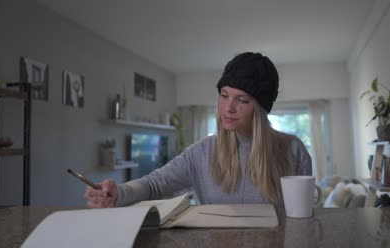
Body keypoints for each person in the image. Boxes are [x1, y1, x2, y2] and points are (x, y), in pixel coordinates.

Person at [85, 52, 312, 208]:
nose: (228, 108)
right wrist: (119, 193)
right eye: (224, 95)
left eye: (242, 99)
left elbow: (303, 216)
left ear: (261, 109)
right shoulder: (202, 152)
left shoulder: (293, 151)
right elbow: (154, 184)